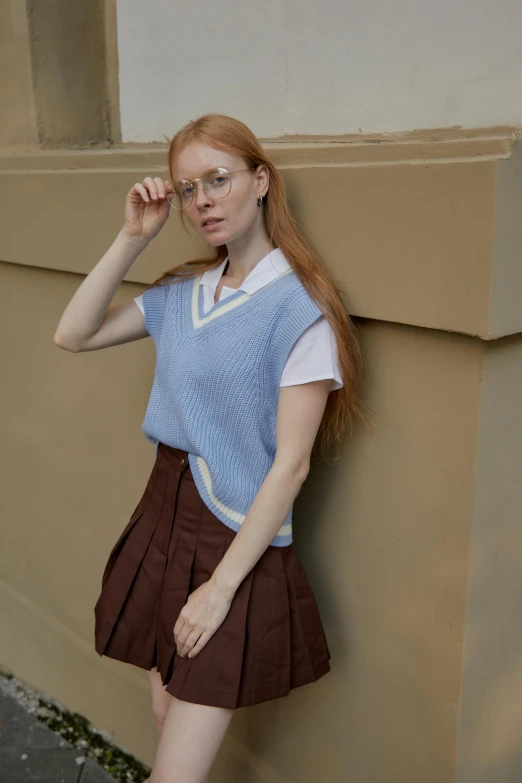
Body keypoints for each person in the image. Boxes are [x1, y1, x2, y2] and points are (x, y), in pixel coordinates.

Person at [54, 113, 369, 783]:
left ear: (261, 182)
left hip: (232, 536)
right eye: (188, 187)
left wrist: (220, 588)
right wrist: (131, 238)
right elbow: (73, 334)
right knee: (169, 719)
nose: (203, 200)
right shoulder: (181, 294)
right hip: (160, 516)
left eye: (218, 180)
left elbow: (293, 464)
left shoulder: (299, 308)